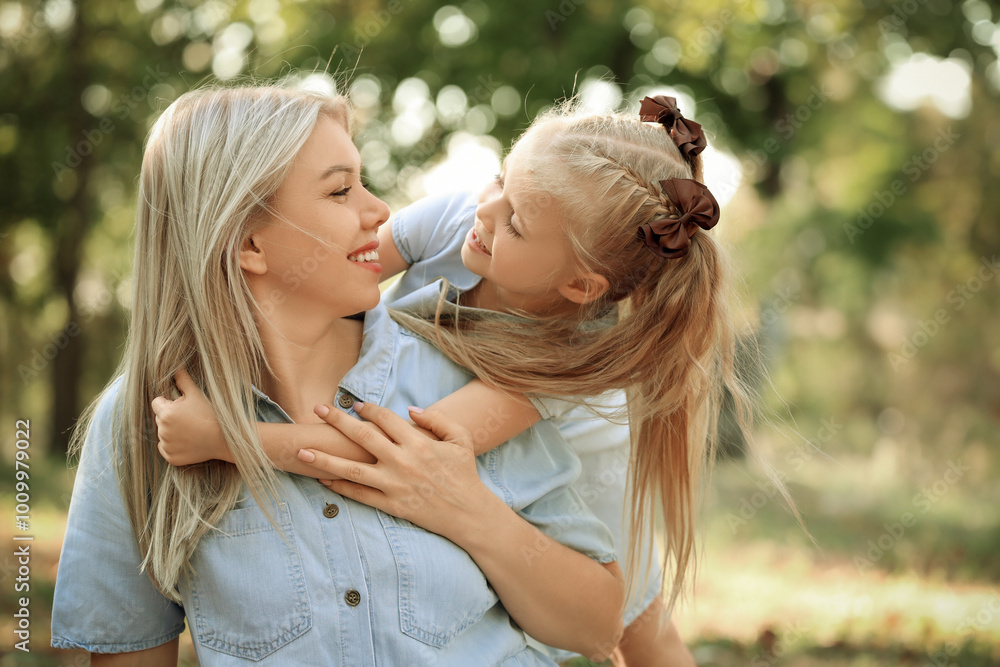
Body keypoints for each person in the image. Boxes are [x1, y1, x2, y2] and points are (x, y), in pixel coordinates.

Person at [154, 94, 763, 665]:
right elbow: (332, 280)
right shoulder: (460, 217)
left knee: (639, 621)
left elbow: (403, 448)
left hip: (571, 449)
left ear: (580, 284)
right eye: (500, 179)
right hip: (449, 407)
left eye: (516, 223)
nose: (486, 209)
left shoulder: (570, 350)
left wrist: (226, 438)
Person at [50, 84, 627, 666]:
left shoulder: (469, 378)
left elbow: (597, 629)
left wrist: (470, 512)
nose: (379, 210)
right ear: (249, 243)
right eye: (340, 190)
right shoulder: (144, 423)